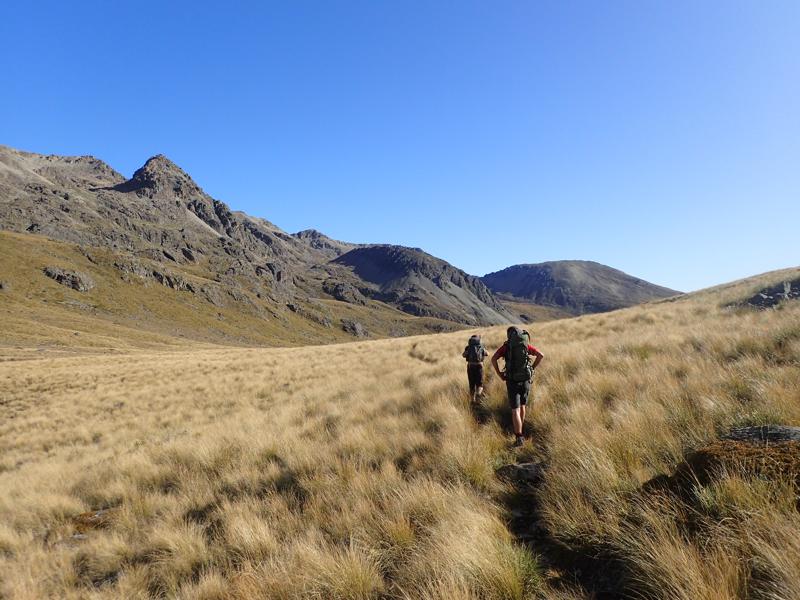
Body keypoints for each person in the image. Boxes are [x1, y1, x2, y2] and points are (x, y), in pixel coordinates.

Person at [491, 326, 544, 447]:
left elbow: (493, 359)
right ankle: (521, 429)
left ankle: (519, 436)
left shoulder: (506, 346)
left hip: (512, 380)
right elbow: (541, 355)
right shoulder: (525, 345)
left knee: (515, 409)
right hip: (525, 379)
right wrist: (532, 368)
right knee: (523, 405)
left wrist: (500, 374)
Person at [462, 334, 488, 403]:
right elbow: (487, 354)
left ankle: (472, 400)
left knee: (471, 384)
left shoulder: (468, 347)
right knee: (480, 384)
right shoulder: (481, 346)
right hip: (479, 366)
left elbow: (463, 355)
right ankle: (478, 395)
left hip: (470, 366)